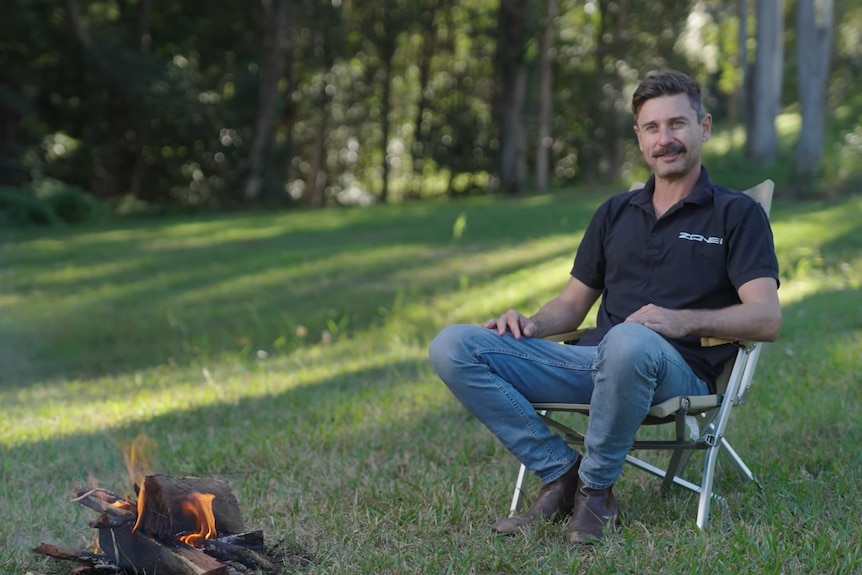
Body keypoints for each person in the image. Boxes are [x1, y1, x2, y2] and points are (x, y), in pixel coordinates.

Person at [428, 69, 781, 544]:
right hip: (593, 361)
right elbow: (572, 306)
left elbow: (766, 317)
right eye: (652, 128)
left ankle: (596, 493)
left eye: (677, 124)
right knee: (453, 345)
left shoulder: (737, 214)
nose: (665, 139)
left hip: (675, 370)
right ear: (639, 137)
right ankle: (562, 474)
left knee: (631, 341)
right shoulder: (615, 212)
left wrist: (678, 321)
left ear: (704, 127)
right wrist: (528, 324)